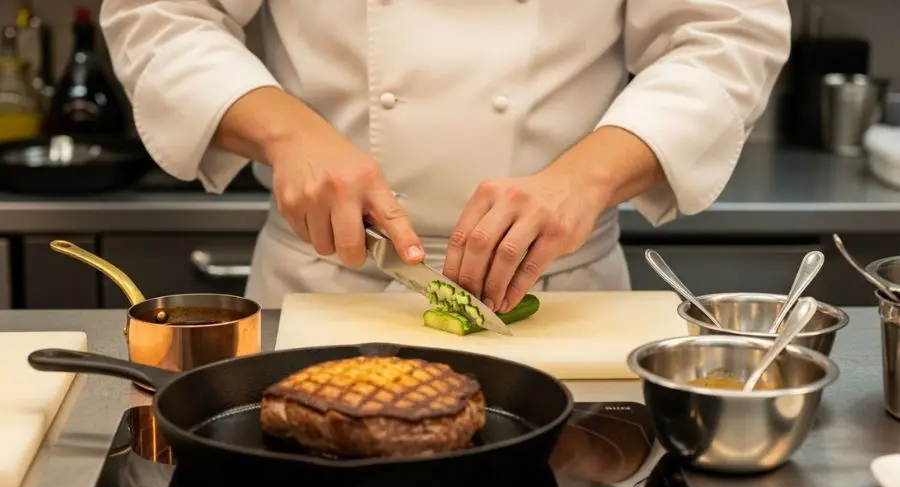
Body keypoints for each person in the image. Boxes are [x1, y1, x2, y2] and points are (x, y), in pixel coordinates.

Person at [99, 1, 791, 310]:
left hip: (556, 296)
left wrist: (586, 177)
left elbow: (725, 36)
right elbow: (160, 16)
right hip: (322, 287)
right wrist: (286, 132)